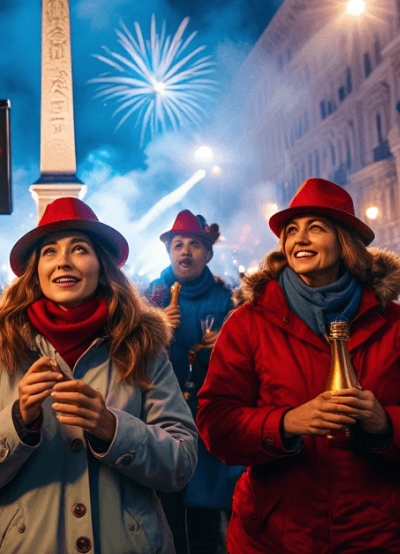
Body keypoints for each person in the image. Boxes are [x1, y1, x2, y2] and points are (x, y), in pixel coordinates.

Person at [197, 178, 400, 553]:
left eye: (315, 228)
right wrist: (286, 423)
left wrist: (385, 423)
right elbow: (215, 423)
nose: (299, 239)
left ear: (345, 241)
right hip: (278, 537)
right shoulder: (247, 323)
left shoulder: (398, 324)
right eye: (291, 230)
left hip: (381, 536)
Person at [0, 197, 197, 553]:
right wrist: (17, 421)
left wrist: (112, 428)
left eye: (79, 249)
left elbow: (181, 462)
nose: (63, 260)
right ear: (35, 269)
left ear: (101, 265)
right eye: (49, 252)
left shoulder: (142, 344)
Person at [146, 210, 241, 554]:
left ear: (208, 253)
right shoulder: (149, 299)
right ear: (169, 253)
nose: (185, 251)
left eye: (194, 245)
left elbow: (244, 364)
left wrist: (226, 346)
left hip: (207, 421)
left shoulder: (226, 300)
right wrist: (153, 328)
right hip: (160, 420)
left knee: (205, 521)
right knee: (164, 518)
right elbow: (127, 359)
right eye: (178, 245)